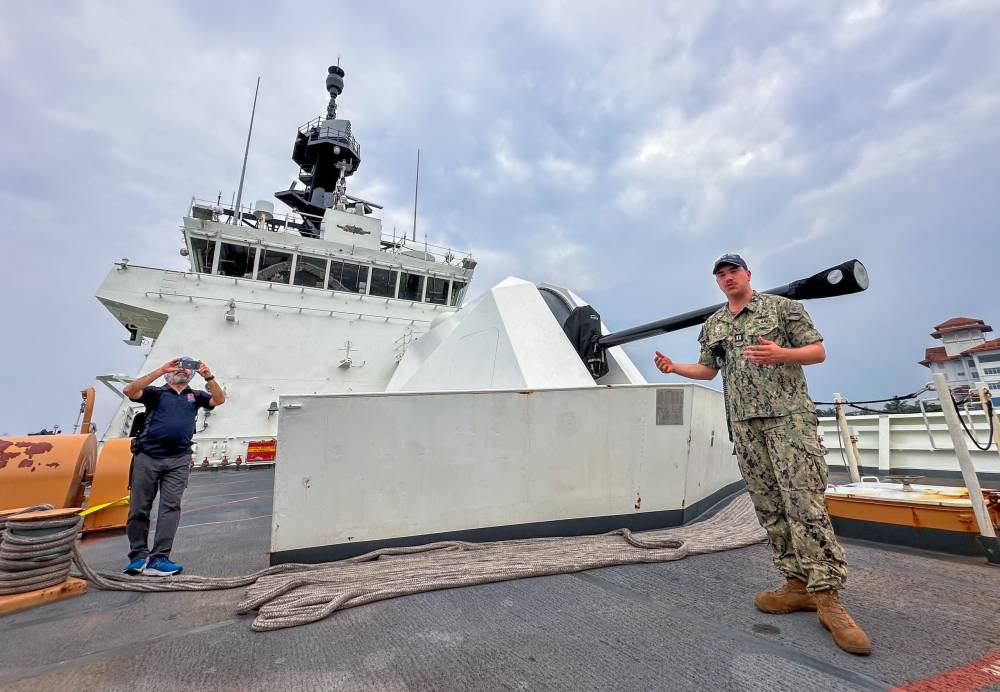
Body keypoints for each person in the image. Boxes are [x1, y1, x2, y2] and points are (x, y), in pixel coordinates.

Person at [653, 253, 871, 656]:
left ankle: (828, 597)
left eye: (733, 271)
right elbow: (708, 370)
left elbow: (817, 351)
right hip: (745, 426)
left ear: (748, 274)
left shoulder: (783, 308)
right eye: (720, 274)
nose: (727, 278)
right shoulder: (714, 324)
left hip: (788, 421)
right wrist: (673, 369)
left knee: (804, 503)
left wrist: (782, 354)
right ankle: (796, 584)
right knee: (769, 506)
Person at [121, 357, 225, 576]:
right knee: (139, 508)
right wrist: (160, 370)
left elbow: (219, 400)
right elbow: (130, 390)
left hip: (178, 459)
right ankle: (138, 556)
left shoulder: (195, 396)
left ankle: (160, 558)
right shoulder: (156, 393)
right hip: (147, 456)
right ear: (169, 374)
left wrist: (209, 377)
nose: (183, 371)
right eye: (178, 368)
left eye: (188, 370)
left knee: (171, 508)